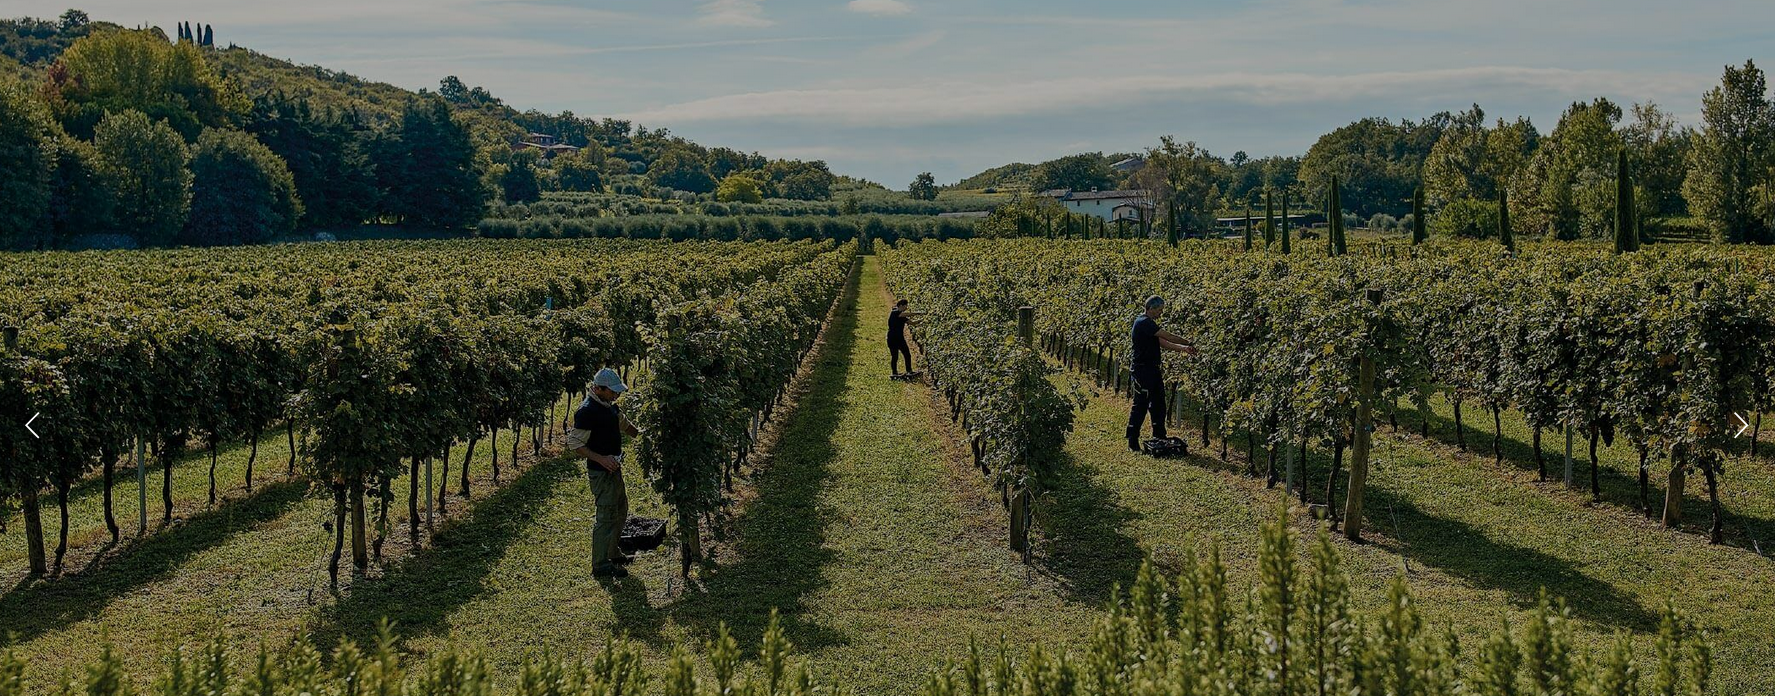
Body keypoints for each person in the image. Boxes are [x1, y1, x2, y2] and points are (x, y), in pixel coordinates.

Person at [567, 367, 641, 578]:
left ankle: (612, 551)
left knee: (620, 509)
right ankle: (600, 564)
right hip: (601, 472)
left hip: (613, 468)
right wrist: (601, 459)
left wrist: (646, 436)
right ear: (598, 389)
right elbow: (574, 444)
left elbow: (626, 426)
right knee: (606, 516)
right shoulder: (587, 411)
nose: (616, 395)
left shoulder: (609, 406)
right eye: (612, 391)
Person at [1128, 295, 1198, 451]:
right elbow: (1168, 336)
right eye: (1159, 310)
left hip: (1152, 369)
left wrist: (1184, 349)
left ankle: (1159, 435)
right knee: (1141, 404)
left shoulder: (1149, 324)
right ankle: (1132, 440)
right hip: (1142, 370)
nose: (1161, 313)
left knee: (1159, 403)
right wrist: (1189, 342)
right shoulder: (1143, 322)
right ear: (1151, 308)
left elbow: (1162, 342)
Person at [888, 299, 920, 376]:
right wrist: (919, 313)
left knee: (907, 354)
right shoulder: (894, 312)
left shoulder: (902, 316)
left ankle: (909, 371)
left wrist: (923, 320)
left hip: (899, 338)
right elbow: (908, 314)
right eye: (906, 306)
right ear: (901, 305)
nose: (906, 308)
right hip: (892, 338)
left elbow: (912, 323)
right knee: (895, 356)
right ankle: (894, 373)